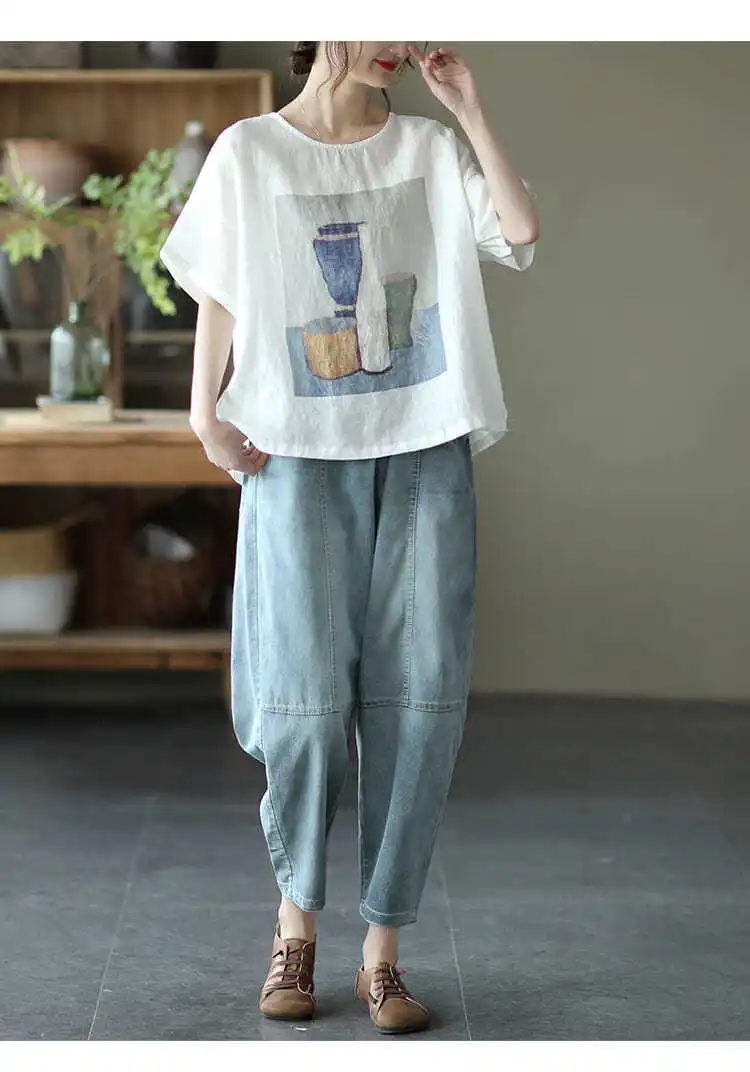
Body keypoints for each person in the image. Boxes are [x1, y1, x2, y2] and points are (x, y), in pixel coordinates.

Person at [160, 41, 539, 1036]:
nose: (399, 40)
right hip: (293, 450)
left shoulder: (426, 147)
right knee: (302, 703)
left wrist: (469, 107)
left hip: (424, 447)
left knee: (420, 698)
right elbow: (220, 286)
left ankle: (383, 950)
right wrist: (205, 412)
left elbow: (520, 227)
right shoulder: (251, 150)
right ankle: (295, 923)